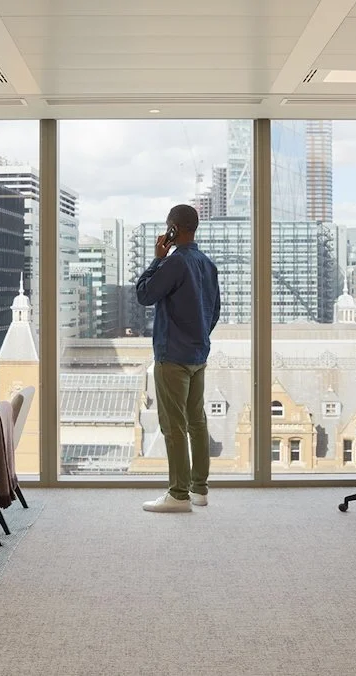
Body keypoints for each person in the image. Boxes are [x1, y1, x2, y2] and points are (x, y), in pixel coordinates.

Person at [135, 204, 221, 513]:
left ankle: (178, 494)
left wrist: (157, 259)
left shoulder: (174, 263)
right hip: (199, 354)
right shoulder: (207, 265)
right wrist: (199, 337)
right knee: (197, 421)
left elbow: (144, 294)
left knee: (173, 426)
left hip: (172, 356)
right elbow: (214, 312)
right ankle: (199, 489)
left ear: (173, 229)